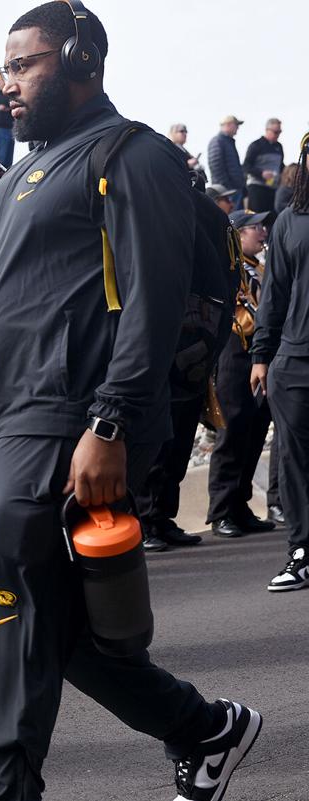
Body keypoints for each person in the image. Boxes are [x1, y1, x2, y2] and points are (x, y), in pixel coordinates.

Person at [0, 4, 260, 799]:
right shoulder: (21, 182)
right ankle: (204, 727)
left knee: (5, 594)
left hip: (75, 419)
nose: (6, 85)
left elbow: (152, 295)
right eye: (4, 68)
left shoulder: (129, 155)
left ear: (80, 61)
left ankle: (5, 791)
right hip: (5, 419)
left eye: (23, 64)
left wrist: (109, 422)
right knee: (42, 615)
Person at [251, 133, 309, 592]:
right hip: (295, 361)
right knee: (293, 461)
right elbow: (273, 297)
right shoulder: (290, 221)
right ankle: (302, 551)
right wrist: (261, 356)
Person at [207, 209, 279, 538]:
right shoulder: (230, 268)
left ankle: (240, 504)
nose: (262, 232)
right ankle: (222, 510)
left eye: (263, 226)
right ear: (237, 234)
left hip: (259, 356)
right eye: (254, 227)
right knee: (233, 430)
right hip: (235, 353)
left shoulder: (260, 268)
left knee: (253, 430)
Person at [242, 118, 284, 214]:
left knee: (271, 218)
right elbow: (246, 166)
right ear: (267, 130)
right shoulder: (256, 145)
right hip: (256, 188)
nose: (278, 135)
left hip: (273, 188)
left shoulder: (279, 147)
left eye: (280, 132)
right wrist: (261, 173)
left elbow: (281, 166)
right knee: (256, 217)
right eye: (275, 132)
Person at [208, 115, 246, 207]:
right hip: (227, 191)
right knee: (230, 218)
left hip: (233, 189)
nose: (238, 128)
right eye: (236, 125)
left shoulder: (227, 141)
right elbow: (216, 166)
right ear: (228, 125)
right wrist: (225, 188)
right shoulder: (218, 141)